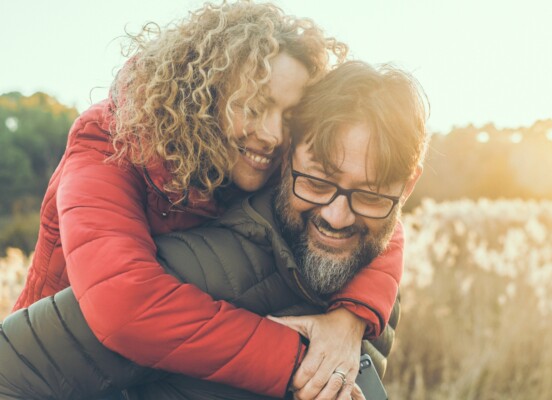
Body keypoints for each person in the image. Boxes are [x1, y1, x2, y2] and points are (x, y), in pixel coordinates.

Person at [10, 2, 407, 399]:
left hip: (158, 373)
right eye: (253, 107)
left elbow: (377, 221)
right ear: (204, 92)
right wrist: (297, 360)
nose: (272, 135)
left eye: (289, 117)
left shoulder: (262, 161)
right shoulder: (107, 144)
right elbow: (125, 306)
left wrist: (349, 320)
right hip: (55, 372)